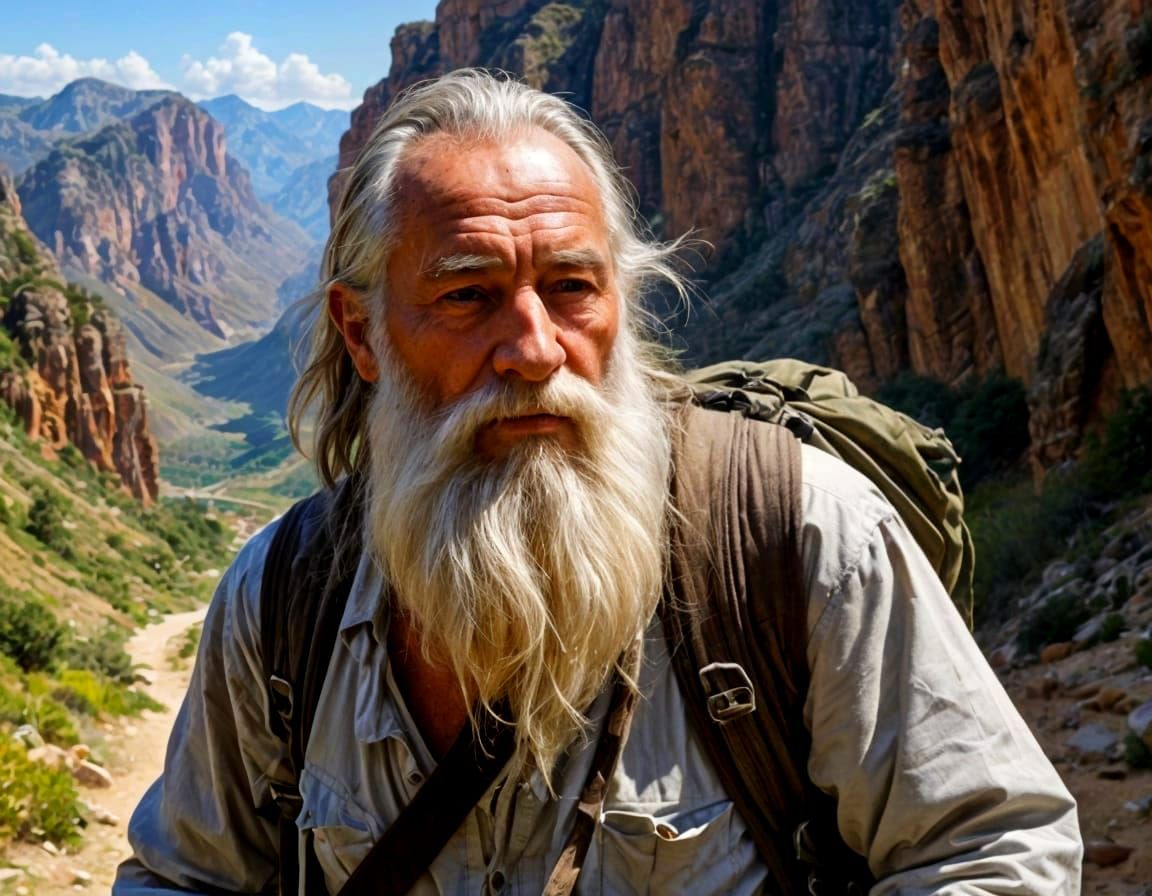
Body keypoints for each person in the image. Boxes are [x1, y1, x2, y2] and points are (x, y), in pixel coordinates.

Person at [115, 69, 1082, 894]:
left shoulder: (797, 538)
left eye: (573, 287)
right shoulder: (282, 599)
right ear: (363, 332)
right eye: (467, 296)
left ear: (620, 297)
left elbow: (994, 844)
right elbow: (181, 876)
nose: (535, 350)